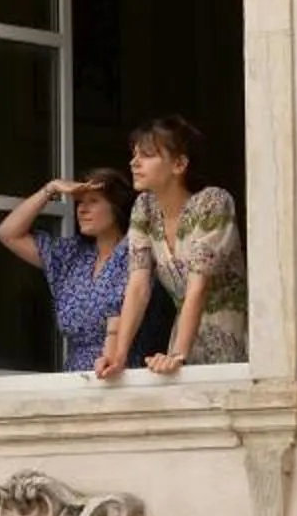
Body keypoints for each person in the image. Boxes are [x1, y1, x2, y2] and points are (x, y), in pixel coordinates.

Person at [97, 115, 247, 377]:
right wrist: (118, 356)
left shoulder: (212, 203)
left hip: (229, 333)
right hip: (182, 341)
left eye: (147, 155)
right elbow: (138, 286)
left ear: (179, 164)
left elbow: (198, 287)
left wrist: (178, 354)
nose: (134, 162)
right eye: (134, 155)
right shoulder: (145, 208)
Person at [0, 170, 135, 374]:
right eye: (80, 202)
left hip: (123, 375)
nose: (82, 210)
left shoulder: (136, 251)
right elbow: (8, 233)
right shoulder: (72, 255)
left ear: (117, 208)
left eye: (93, 201)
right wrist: (51, 188)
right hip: (76, 378)